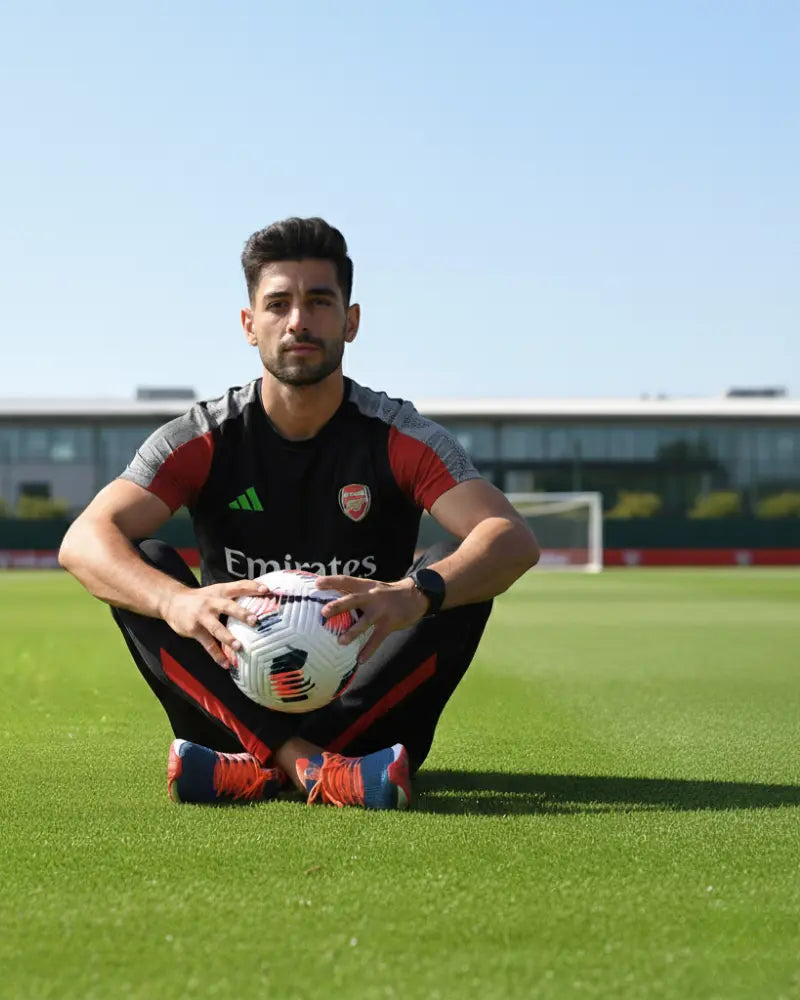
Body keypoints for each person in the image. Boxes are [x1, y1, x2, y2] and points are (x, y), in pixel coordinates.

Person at [58, 217, 540, 811]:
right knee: (145, 566)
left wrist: (410, 595)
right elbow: (83, 541)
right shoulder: (204, 437)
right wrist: (174, 602)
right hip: (235, 702)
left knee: (450, 571)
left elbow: (511, 537)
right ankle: (311, 767)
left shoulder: (400, 436)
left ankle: (259, 770)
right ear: (249, 324)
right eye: (279, 303)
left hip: (368, 707)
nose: (298, 321)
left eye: (319, 301)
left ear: (351, 320)